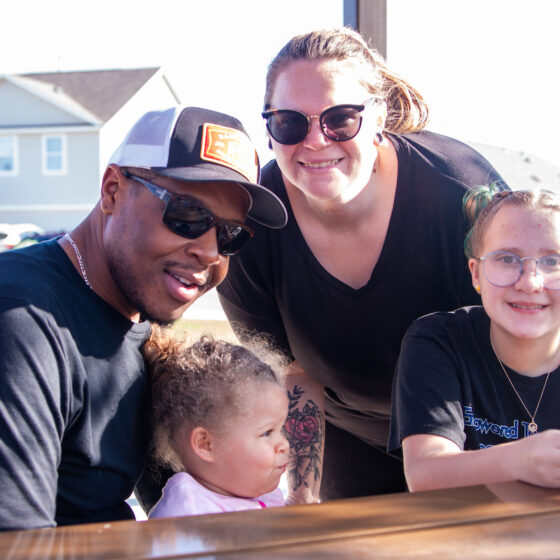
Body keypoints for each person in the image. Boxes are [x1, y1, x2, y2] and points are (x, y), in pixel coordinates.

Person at [216, 27, 507, 504]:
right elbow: (293, 375)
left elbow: (525, 324)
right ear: (269, 129)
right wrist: (303, 499)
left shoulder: (458, 190)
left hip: (475, 432)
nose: (315, 141)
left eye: (341, 119)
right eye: (290, 123)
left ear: (378, 118)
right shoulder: (252, 226)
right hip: (352, 440)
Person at [0, 106, 287, 530]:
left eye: (229, 234)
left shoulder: (137, 315)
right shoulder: (22, 318)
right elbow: (19, 545)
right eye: (188, 216)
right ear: (113, 190)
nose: (209, 252)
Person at [389, 186, 560, 491]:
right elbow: (425, 473)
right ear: (476, 274)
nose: (530, 282)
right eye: (507, 259)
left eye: (553, 262)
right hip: (466, 535)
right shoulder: (437, 342)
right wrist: (521, 460)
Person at [144, 332, 289, 518]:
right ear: (206, 445)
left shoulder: (262, 492)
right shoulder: (187, 514)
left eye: (280, 429)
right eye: (267, 433)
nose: (284, 444)